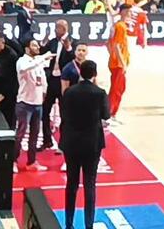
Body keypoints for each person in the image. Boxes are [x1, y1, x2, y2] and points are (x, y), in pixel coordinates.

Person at [60, 59, 111, 229]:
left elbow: (64, 113)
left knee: (71, 184)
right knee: (90, 184)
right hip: (92, 144)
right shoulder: (100, 93)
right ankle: (89, 225)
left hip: (72, 143)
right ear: (94, 74)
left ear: (80, 72)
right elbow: (106, 115)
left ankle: (68, 224)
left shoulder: (69, 92)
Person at [15, 38, 54, 172]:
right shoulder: (22, 61)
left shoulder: (38, 62)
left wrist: (44, 92)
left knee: (35, 134)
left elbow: (43, 79)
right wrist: (43, 57)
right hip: (24, 103)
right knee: (20, 134)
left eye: (37, 45)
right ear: (27, 48)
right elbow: (25, 68)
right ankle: (13, 160)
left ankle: (31, 161)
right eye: (34, 45)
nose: (37, 47)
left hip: (38, 104)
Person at [41, 19, 75, 151]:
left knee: (64, 114)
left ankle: (63, 144)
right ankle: (47, 140)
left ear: (64, 29)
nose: (55, 30)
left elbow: (74, 60)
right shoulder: (53, 41)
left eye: (57, 28)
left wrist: (69, 48)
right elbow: (42, 52)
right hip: (51, 80)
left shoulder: (73, 41)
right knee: (45, 111)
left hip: (64, 82)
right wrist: (43, 43)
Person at [106, 3, 131, 121]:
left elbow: (108, 43)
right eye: (129, 11)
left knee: (117, 89)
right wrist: (122, 62)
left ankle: (111, 113)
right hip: (118, 64)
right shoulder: (120, 26)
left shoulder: (116, 25)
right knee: (117, 90)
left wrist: (112, 56)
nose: (130, 14)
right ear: (124, 12)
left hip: (115, 62)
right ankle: (110, 114)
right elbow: (116, 45)